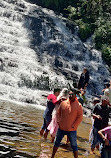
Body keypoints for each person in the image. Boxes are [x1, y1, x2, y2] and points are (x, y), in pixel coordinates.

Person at [51, 89, 83, 158]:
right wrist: (58, 121)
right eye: (70, 94)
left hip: (72, 130)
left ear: (75, 96)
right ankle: (52, 156)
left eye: (72, 95)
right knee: (56, 143)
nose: (70, 96)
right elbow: (58, 113)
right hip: (61, 128)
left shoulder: (79, 106)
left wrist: (74, 126)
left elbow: (80, 117)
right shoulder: (63, 103)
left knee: (74, 146)